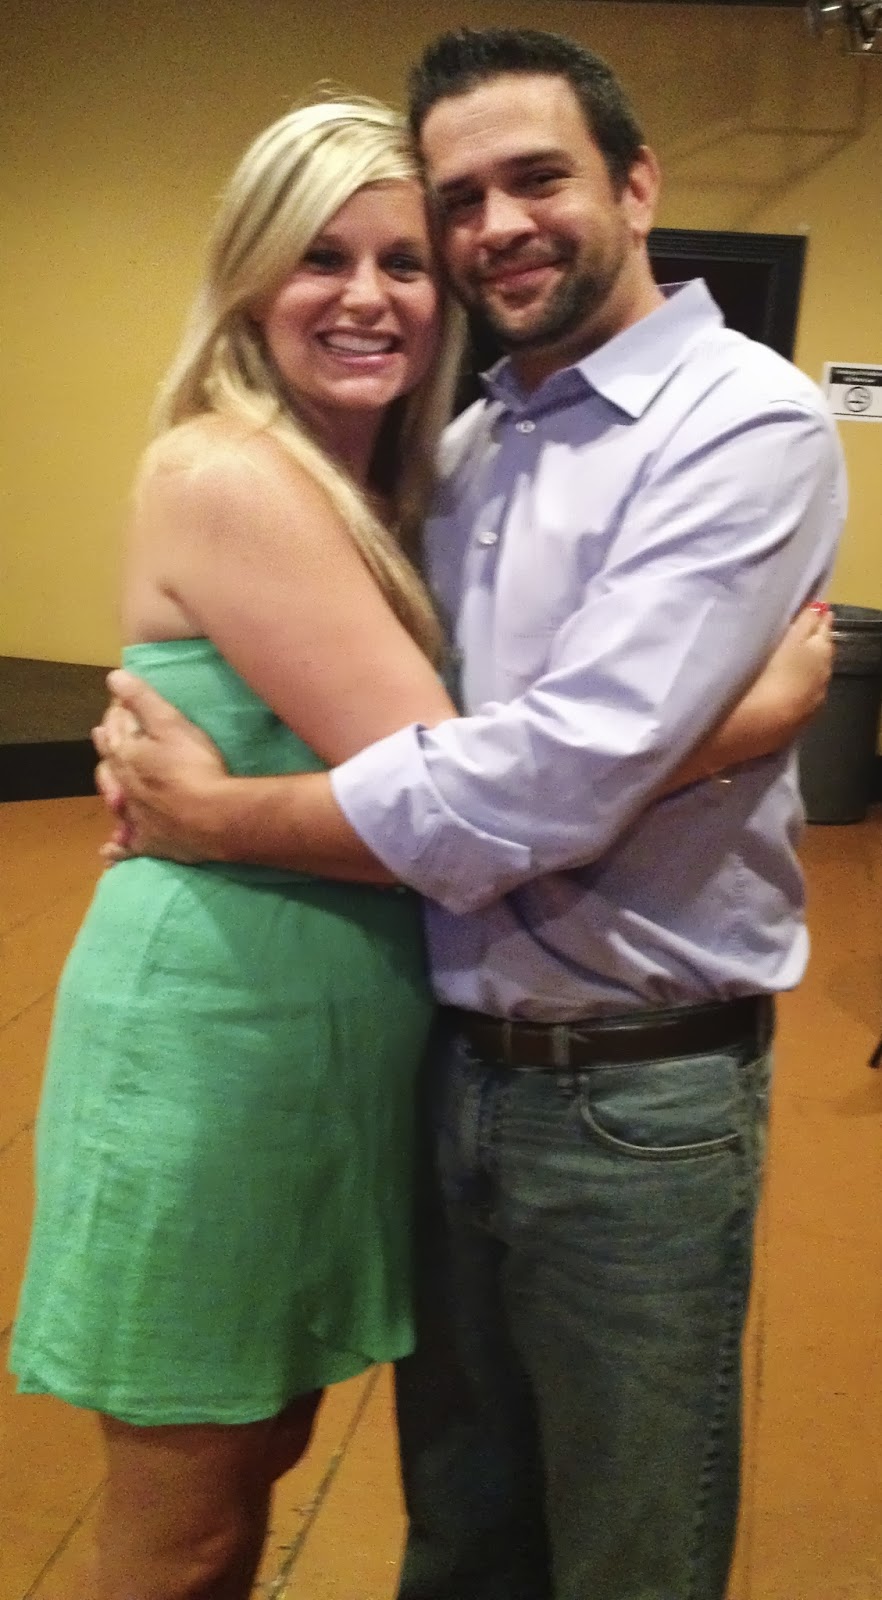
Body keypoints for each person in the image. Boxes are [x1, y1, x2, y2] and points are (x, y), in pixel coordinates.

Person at [92, 28, 845, 1600]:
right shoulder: (467, 442)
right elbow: (498, 768)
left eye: (536, 178)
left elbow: (546, 779)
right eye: (460, 199)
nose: (495, 224)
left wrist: (220, 814)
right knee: (459, 1529)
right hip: (436, 1061)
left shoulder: (738, 418)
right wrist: (731, 730)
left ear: (633, 185)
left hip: (631, 1092)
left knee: (626, 1547)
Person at [10, 95, 470, 1600]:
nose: (366, 296)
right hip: (220, 1043)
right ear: (250, 273)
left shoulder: (370, 486)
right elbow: (452, 810)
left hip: (315, 1038)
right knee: (187, 1525)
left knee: (254, 1451)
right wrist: (737, 722)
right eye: (321, 256)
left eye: (404, 262)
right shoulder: (232, 472)